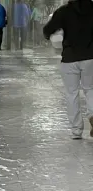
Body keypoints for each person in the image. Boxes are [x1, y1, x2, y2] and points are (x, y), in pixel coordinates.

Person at [44, 0, 93, 139]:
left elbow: (47, 30)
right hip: (90, 57)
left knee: (72, 93)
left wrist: (51, 35)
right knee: (90, 89)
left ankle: (77, 130)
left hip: (70, 58)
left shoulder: (64, 11)